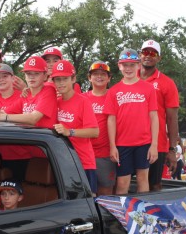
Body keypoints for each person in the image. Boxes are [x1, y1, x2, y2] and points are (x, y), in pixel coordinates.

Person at [104, 48, 159, 194]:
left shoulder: (148, 88)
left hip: (144, 143)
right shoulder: (113, 91)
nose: (128, 68)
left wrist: (154, 144)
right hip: (122, 144)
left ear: (138, 65)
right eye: (125, 65)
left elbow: (154, 117)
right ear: (119, 66)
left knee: (142, 178)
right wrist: (112, 146)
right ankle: (122, 216)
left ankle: (143, 215)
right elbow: (111, 119)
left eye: (132, 65)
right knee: (122, 182)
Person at [52, 60, 99, 194]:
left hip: (83, 162)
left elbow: (95, 131)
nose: (61, 83)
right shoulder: (56, 102)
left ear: (73, 79)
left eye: (65, 79)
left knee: (88, 202)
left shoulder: (83, 101)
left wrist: (69, 132)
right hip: (63, 161)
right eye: (57, 79)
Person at [139, 39, 180, 191]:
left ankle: (154, 215)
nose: (148, 56)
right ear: (140, 55)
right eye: (145, 52)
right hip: (130, 141)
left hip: (156, 143)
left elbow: (172, 118)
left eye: (153, 53)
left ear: (158, 58)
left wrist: (172, 149)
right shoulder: (129, 78)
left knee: (154, 184)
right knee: (125, 182)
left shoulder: (167, 83)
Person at [0, 56, 58, 128]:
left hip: (45, 139)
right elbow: (4, 112)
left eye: (36, 73)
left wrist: (3, 117)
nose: (31, 77)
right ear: (25, 76)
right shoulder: (26, 93)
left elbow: (33, 118)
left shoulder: (49, 90)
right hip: (31, 138)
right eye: (28, 73)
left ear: (45, 76)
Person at [83, 61, 115, 195]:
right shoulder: (82, 97)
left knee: (106, 190)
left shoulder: (114, 95)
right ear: (89, 77)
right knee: (85, 191)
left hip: (106, 153)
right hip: (85, 153)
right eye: (95, 74)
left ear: (109, 78)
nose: (99, 77)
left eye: (103, 74)